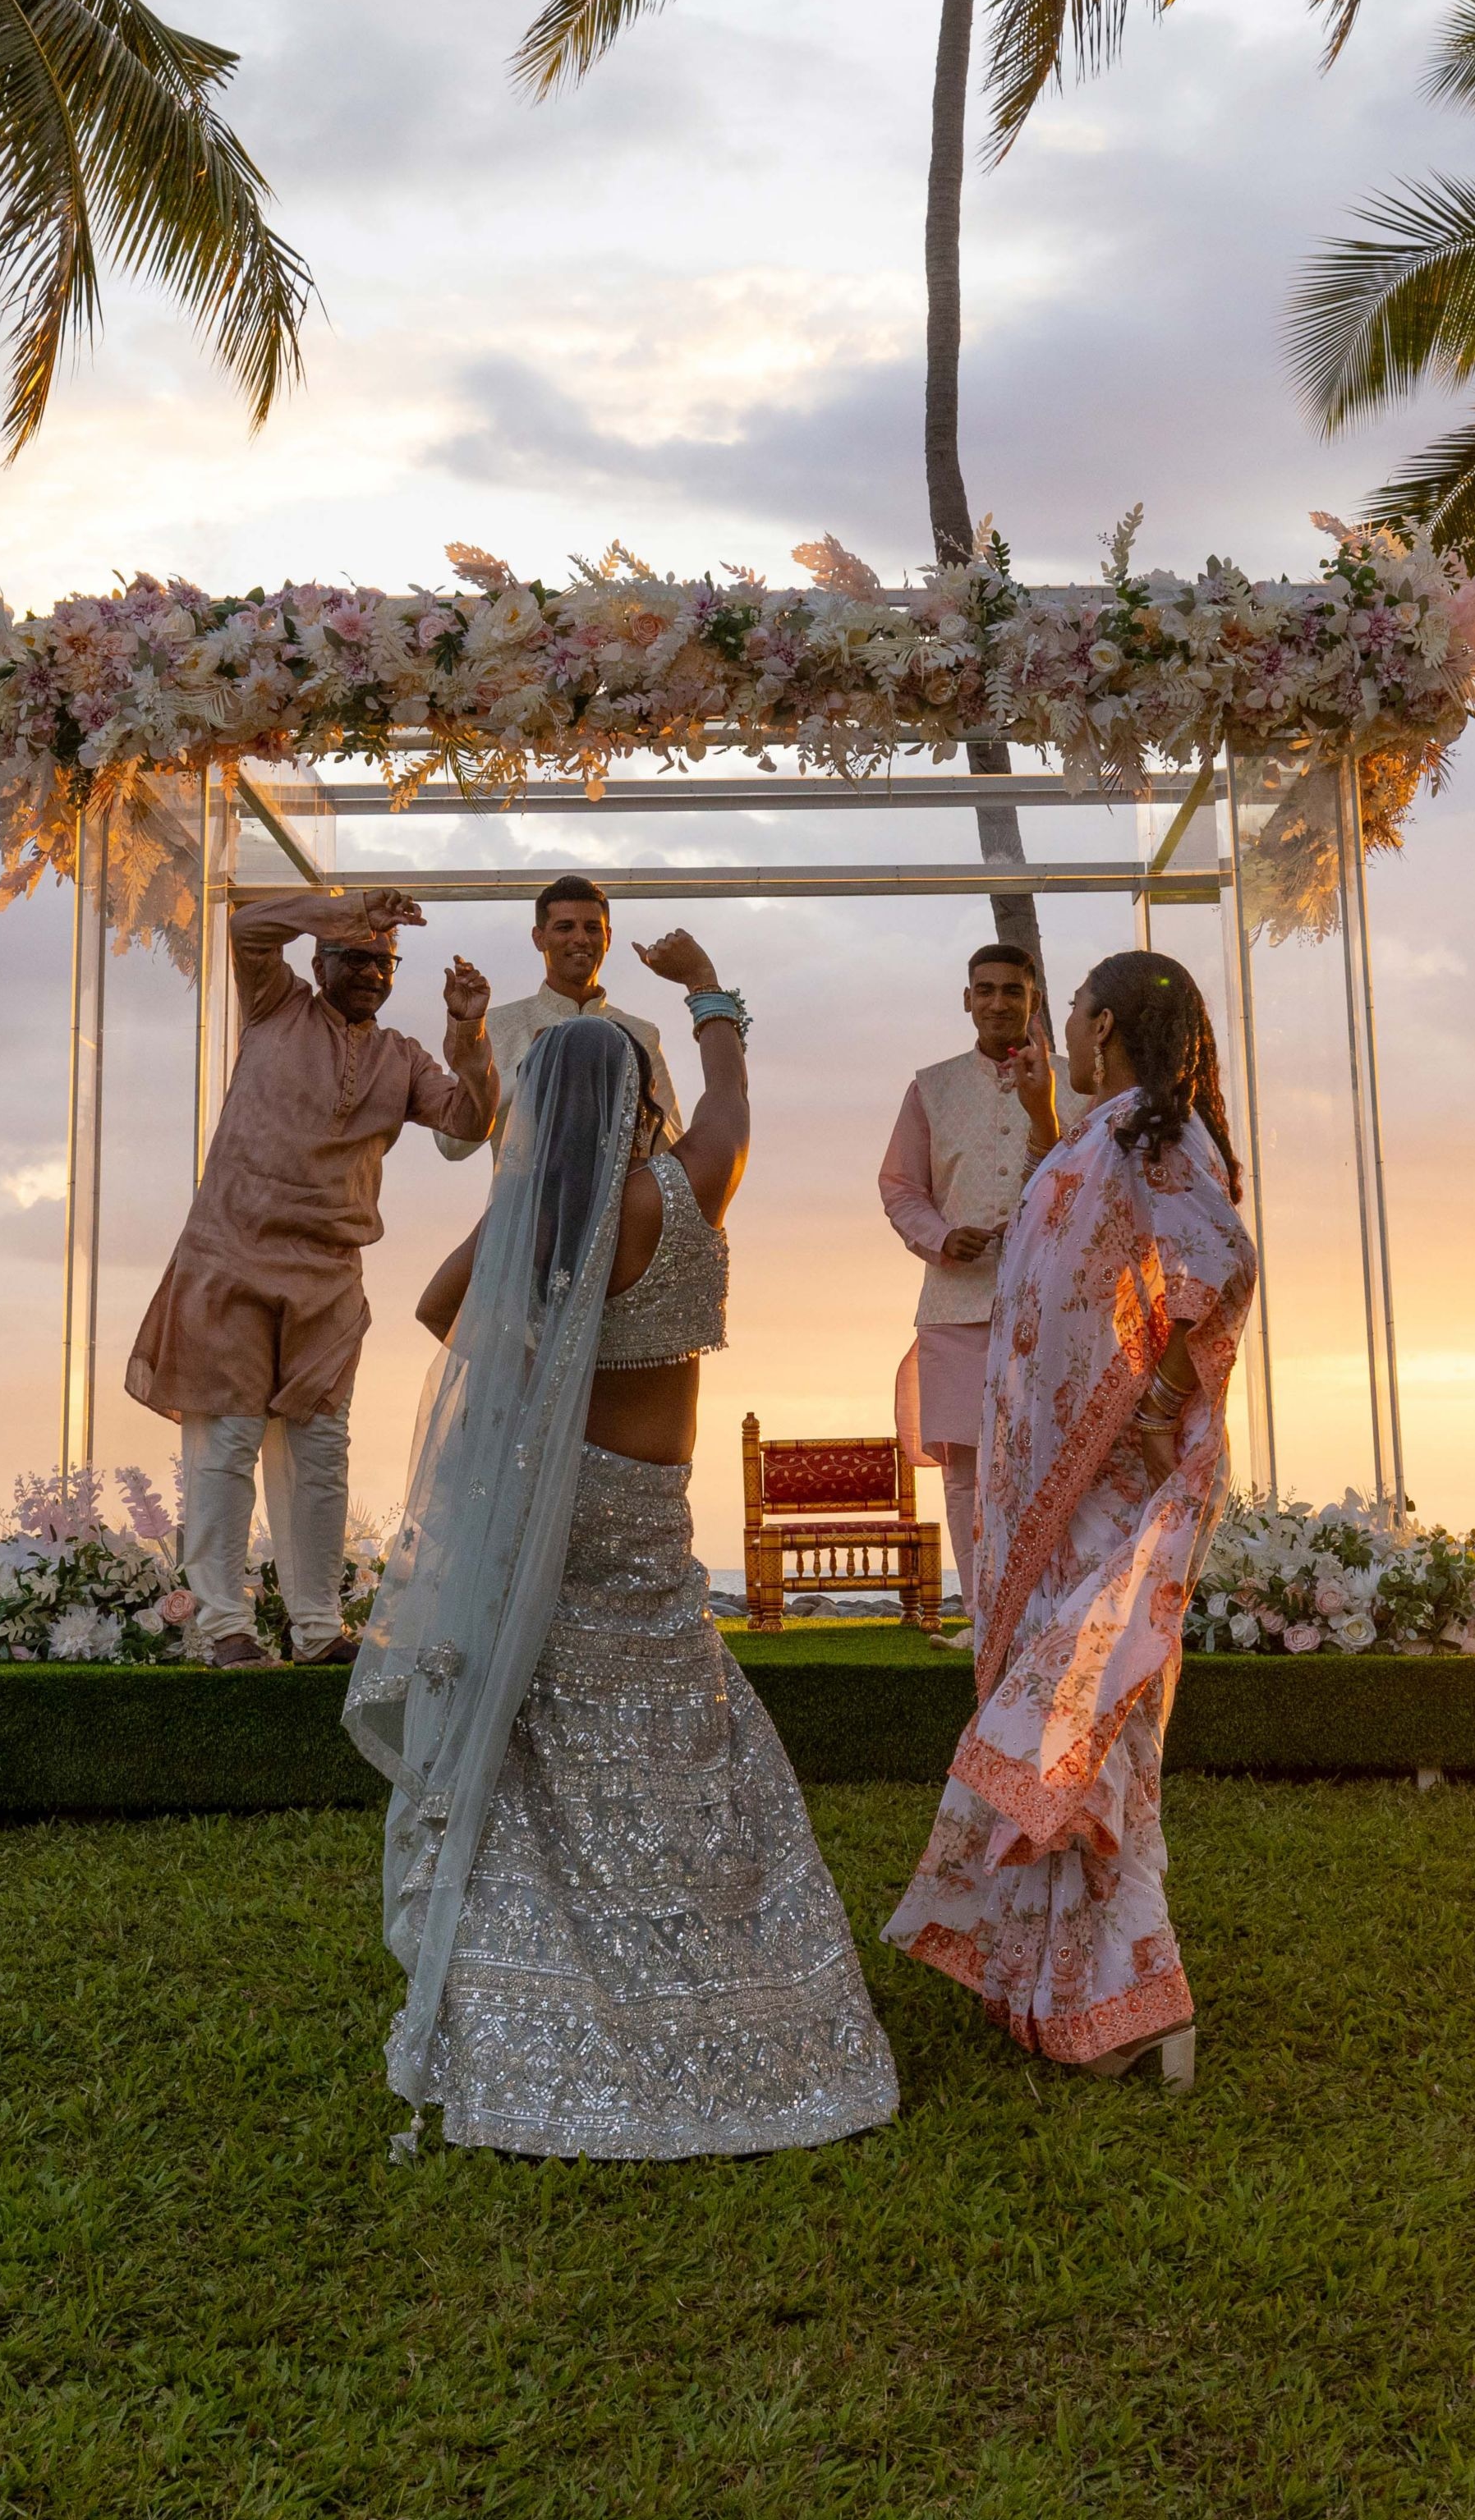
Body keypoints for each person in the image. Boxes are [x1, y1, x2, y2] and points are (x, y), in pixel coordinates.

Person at [348, 930, 899, 2161]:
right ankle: (726, 1980)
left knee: (550, 1736)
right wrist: (707, 996)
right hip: (654, 1510)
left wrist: (538, 1360)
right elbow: (732, 1100)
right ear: (646, 1096)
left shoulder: (539, 1213)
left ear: (541, 1109)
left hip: (557, 1504)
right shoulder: (694, 1187)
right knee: (680, 1716)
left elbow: (437, 1311)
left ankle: (547, 1984)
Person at [880, 950, 1257, 2090]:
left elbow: (1224, 1263)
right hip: (1056, 1488)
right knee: (1068, 1730)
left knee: (1094, 1731)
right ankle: (1055, 1984)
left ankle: (1141, 2001)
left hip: (1107, 1484)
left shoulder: (1155, 1136)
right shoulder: (1102, 1131)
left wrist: (1152, 1396)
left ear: (1103, 1025)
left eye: (1077, 1011)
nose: (1066, 1027)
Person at [125, 887, 498, 1668]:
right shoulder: (276, 1005)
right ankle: (224, 1627)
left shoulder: (402, 1057)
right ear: (320, 962)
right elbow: (246, 926)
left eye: (384, 963)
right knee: (228, 1439)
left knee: (320, 1448)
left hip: (329, 1274)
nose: (370, 973)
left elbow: (468, 1121)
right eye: (354, 957)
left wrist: (469, 1030)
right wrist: (348, 907)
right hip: (230, 1255)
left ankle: (319, 1631)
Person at [877, 942, 1057, 1640]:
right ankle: (985, 1622)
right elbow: (900, 1187)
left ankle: (1046, 1616)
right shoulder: (932, 1088)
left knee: (1046, 1459)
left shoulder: (1073, 1086)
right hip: (955, 1305)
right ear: (966, 999)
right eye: (985, 990)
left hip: (1051, 1308)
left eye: (1012, 991)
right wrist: (942, 1236)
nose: (997, 1003)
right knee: (964, 1471)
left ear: (1033, 1000)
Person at [434, 874, 678, 1164]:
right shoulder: (496, 1026)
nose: (581, 938)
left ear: (608, 937)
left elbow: (671, 1151)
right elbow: (450, 1143)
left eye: (592, 928)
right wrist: (530, 1067)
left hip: (623, 1195)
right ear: (539, 938)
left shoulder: (640, 1033)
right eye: (565, 927)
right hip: (521, 1196)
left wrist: (631, 1091)